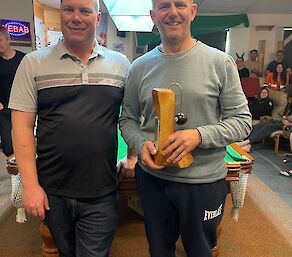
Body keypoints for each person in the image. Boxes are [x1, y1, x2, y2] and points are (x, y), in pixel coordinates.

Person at [119, 0, 252, 256]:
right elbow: (127, 120)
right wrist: (139, 144)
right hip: (153, 181)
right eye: (164, 6)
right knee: (158, 250)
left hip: (202, 182)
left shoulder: (220, 62)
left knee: (201, 251)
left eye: (179, 4)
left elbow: (242, 121)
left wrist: (199, 135)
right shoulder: (139, 67)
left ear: (192, 11)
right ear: (153, 15)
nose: (172, 12)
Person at [9, 0, 131, 256]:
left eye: (85, 11)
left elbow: (132, 116)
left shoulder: (121, 64)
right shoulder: (33, 63)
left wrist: (132, 155)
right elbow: (21, 127)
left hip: (102, 189)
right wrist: (30, 186)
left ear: (97, 18)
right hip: (52, 190)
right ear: (60, 14)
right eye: (69, 9)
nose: (76, 17)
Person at [0, 27, 25, 157]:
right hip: (4, 110)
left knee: (24, 142)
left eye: (0, 40)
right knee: (8, 145)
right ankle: (15, 173)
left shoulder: (24, 59)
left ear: (8, 40)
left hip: (23, 109)